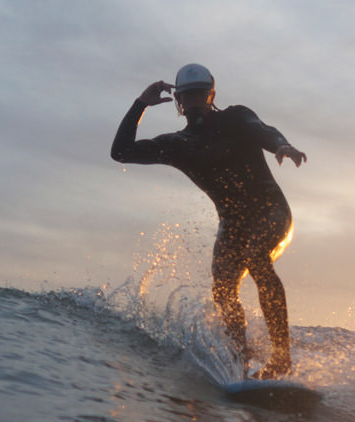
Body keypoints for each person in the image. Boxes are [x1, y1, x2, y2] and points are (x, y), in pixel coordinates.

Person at [111, 63, 307, 379]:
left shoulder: (236, 117)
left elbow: (263, 130)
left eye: (200, 93)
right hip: (233, 223)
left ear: (211, 93)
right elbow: (121, 152)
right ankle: (239, 364)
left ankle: (281, 360)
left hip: (271, 211)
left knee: (257, 258)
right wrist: (140, 104)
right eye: (187, 95)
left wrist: (280, 145)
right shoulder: (177, 144)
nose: (194, 100)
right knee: (223, 289)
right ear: (179, 101)